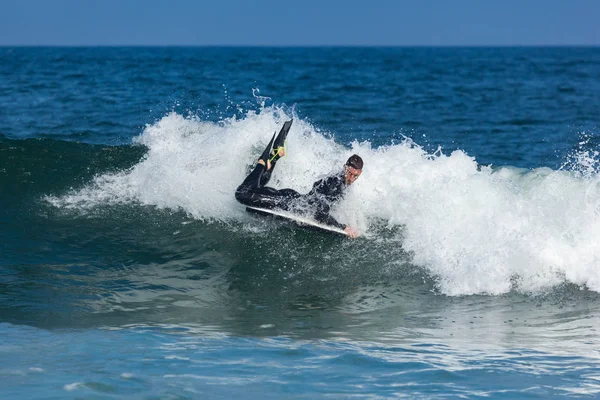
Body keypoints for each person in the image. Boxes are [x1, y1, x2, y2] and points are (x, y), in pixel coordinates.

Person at [235, 120, 362, 238]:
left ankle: (274, 157)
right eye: (349, 173)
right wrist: (342, 227)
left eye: (355, 175)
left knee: (257, 190)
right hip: (286, 203)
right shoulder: (335, 184)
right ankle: (262, 162)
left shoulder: (340, 179)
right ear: (345, 167)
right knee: (243, 194)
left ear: (360, 173)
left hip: (293, 200)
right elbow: (319, 214)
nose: (351, 178)